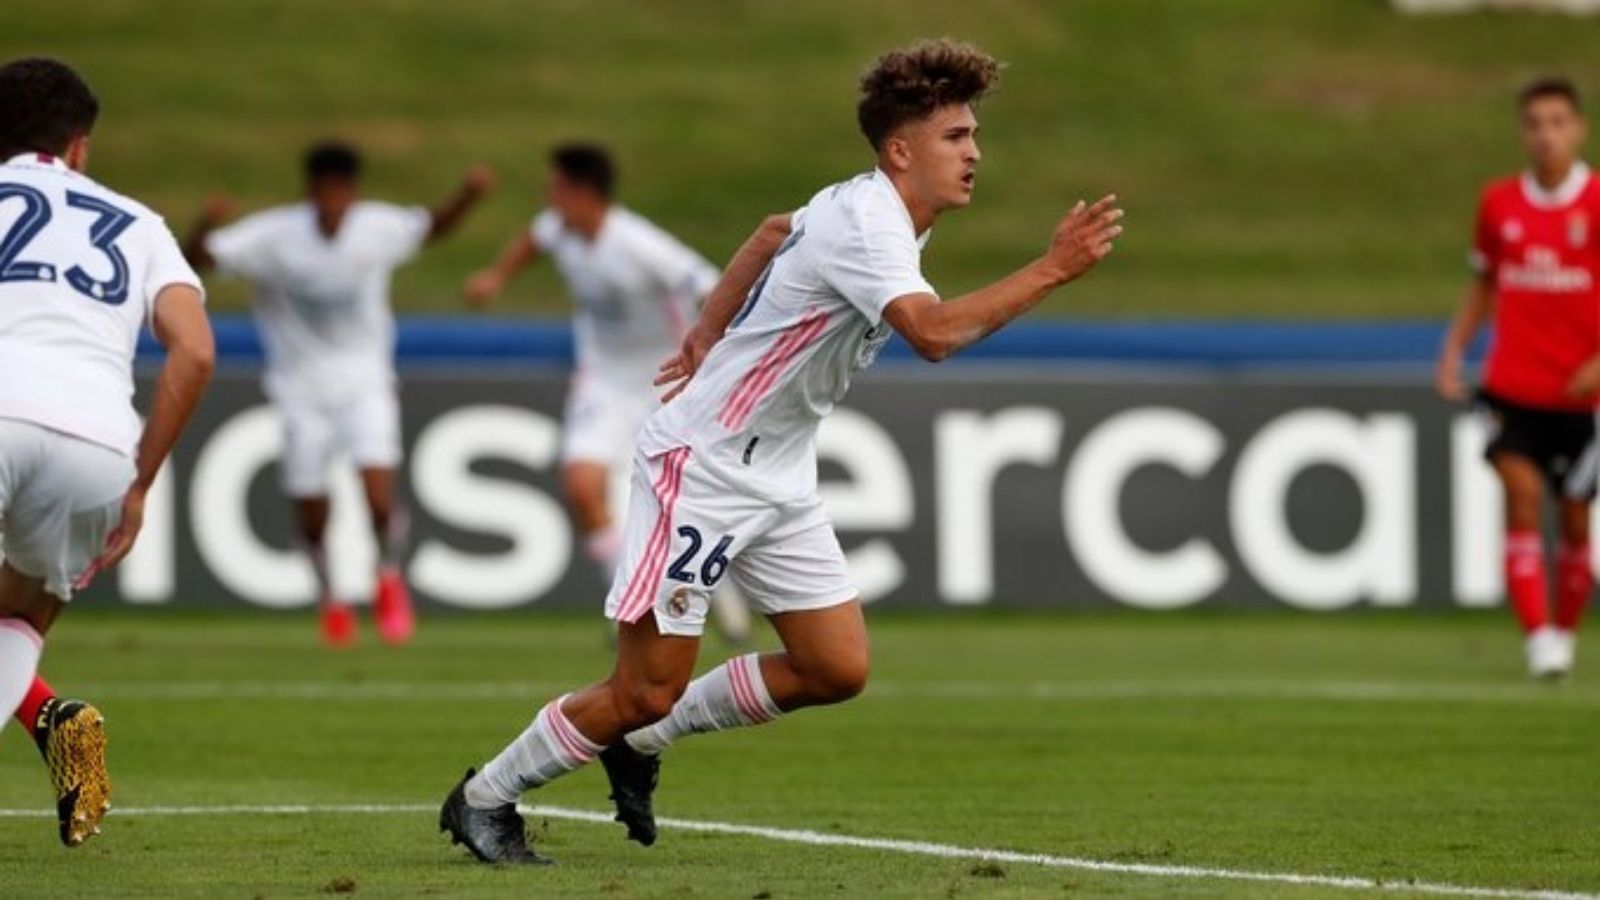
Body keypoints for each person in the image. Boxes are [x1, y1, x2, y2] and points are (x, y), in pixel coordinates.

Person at [439, 39, 1123, 864]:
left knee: (834, 667)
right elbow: (934, 335)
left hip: (778, 475)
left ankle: (642, 744)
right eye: (955, 137)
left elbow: (770, 233)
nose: (975, 153)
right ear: (901, 149)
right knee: (642, 688)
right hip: (704, 466)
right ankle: (484, 797)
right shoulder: (872, 225)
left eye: (973, 134)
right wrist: (1053, 267)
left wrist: (704, 331)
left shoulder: (874, 209)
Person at [0, 57, 215, 845]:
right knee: (18, 613)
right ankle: (53, 723)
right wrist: (138, 484)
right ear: (81, 147)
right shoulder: (140, 222)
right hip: (98, 442)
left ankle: (53, 722)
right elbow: (192, 354)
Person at [184, 143, 492, 646]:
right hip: (298, 387)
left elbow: (431, 227)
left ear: (351, 193)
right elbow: (200, 258)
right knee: (311, 508)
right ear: (310, 193)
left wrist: (468, 196)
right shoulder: (274, 236)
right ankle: (330, 593)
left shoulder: (377, 227)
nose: (333, 201)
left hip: (365, 379)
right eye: (323, 191)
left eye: (341, 192)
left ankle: (388, 578)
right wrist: (204, 223)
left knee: (376, 495)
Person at [464, 143, 753, 644]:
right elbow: (533, 239)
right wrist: (496, 276)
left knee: (681, 509)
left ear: (582, 193)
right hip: (604, 381)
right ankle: (626, 605)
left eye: (555, 188)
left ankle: (721, 598)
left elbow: (711, 284)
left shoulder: (640, 245)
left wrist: (714, 351)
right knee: (581, 485)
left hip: (665, 384)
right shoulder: (561, 229)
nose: (547, 198)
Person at [1437, 76, 1600, 680]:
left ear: (1578, 128)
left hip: (1583, 397)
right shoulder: (1499, 203)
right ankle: (1539, 639)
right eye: (1535, 123)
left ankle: (1564, 629)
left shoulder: (1598, 202)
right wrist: (1454, 350)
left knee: (1576, 516)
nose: (1547, 135)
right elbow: (1484, 282)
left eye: (1559, 122)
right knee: (1523, 496)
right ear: (1523, 131)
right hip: (1512, 385)